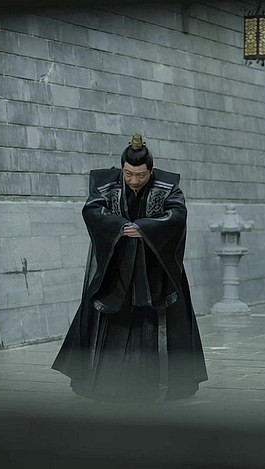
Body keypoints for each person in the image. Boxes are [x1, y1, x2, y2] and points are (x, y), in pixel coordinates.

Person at [52, 133, 208, 403]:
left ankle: (167, 385)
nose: (134, 180)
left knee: (158, 321)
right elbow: (92, 210)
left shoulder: (168, 186)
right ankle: (102, 384)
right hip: (117, 267)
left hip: (155, 270)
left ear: (151, 170)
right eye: (128, 174)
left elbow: (177, 214)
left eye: (141, 175)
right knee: (107, 317)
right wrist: (119, 227)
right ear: (122, 169)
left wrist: (145, 229)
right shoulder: (106, 184)